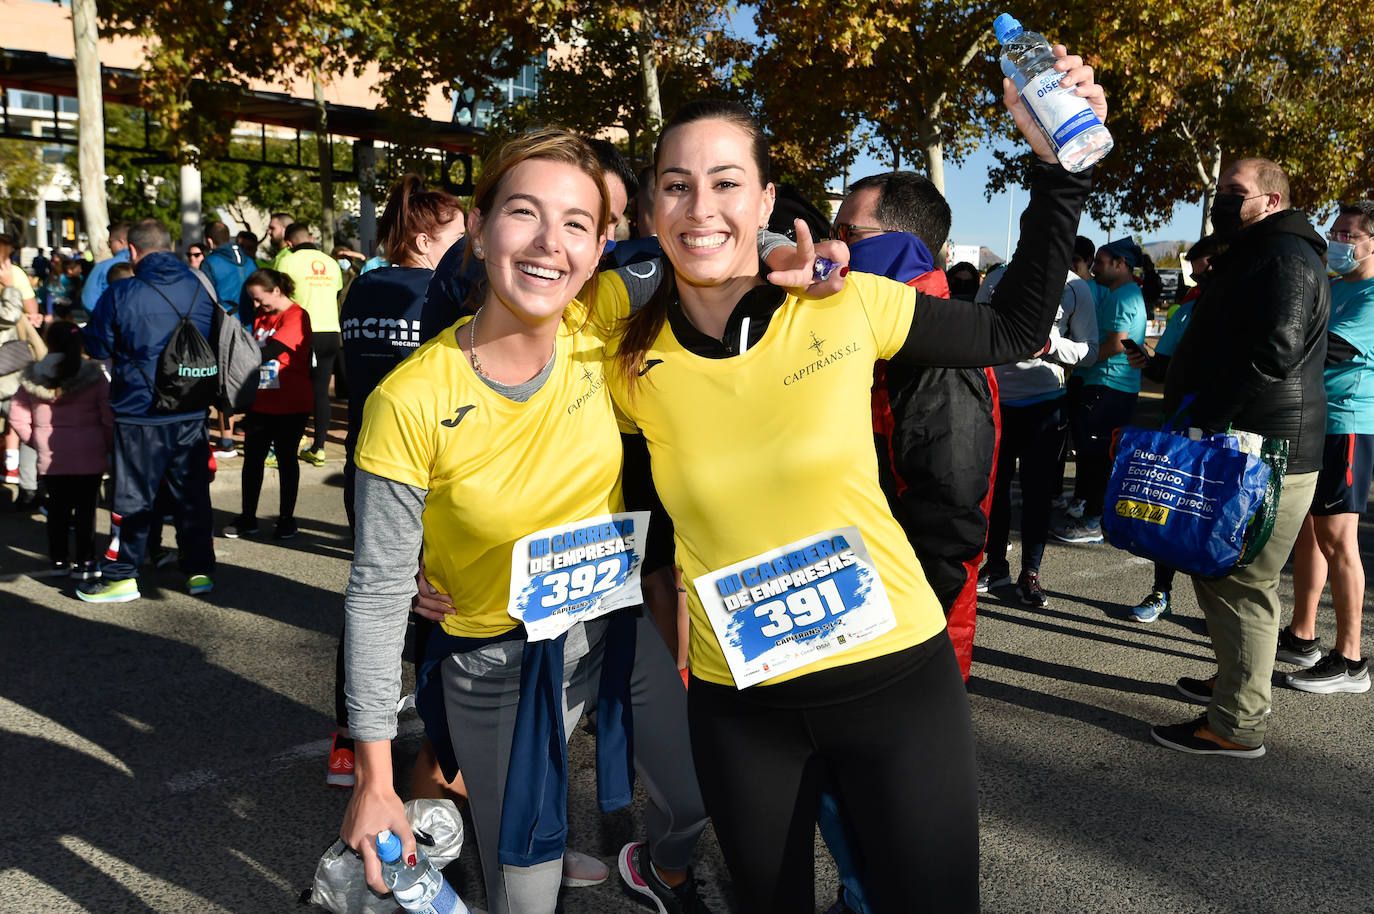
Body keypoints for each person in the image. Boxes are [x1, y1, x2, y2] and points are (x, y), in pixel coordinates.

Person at [603, 50, 1101, 912]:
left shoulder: (846, 303)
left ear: (765, 201)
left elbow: (1015, 329)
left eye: (727, 183)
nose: (700, 207)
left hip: (893, 682)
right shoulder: (618, 344)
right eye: (675, 186)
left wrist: (1054, 172)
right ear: (650, 206)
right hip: (742, 703)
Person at [342, 130, 711, 914]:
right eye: (523, 213)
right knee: (525, 898)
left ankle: (661, 865)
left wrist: (820, 268)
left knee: (704, 796)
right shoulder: (409, 400)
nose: (551, 243)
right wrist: (375, 783)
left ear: (602, 243)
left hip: (615, 639)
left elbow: (720, 247)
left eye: (577, 223)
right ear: (478, 229)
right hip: (497, 670)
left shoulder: (601, 322)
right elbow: (375, 596)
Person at [1151, 158, 1330, 758]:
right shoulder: (1263, 250)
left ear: (1272, 201)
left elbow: (1275, 352)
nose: (1222, 200)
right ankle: (1234, 681)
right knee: (1223, 574)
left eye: (1236, 192)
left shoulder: (1284, 256)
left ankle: (1235, 725)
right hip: (1251, 440)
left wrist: (1211, 414)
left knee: (1240, 583)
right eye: (1220, 189)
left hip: (1263, 446)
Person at [331, 173, 464, 788]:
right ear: (422, 237)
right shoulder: (437, 293)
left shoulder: (360, 290)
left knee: (372, 596)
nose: (468, 249)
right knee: (431, 602)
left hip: (366, 459)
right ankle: (442, 741)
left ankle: (349, 743)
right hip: (426, 466)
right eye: (458, 236)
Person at [837, 170, 996, 680]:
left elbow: (948, 515)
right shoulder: (882, 330)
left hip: (910, 628)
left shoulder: (935, 347)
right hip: (875, 600)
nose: (833, 248)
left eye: (848, 234)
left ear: (900, 243)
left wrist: (907, 626)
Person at [76, 218, 217, 603]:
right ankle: (200, 570)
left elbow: (98, 347)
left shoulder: (122, 293)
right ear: (168, 246)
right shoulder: (199, 286)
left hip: (141, 410)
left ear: (132, 252)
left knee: (133, 496)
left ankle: (122, 575)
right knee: (192, 494)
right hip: (191, 405)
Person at [1279, 201, 1374, 694]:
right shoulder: (1335, 286)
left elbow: (1327, 348)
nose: (1337, 240)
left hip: (1348, 425)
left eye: (1348, 234)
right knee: (1309, 536)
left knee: (1340, 540)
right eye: (1334, 232)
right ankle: (1302, 635)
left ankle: (1352, 659)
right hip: (1315, 420)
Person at [978, 253, 1098, 607]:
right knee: (994, 491)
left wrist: (1049, 346)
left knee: (1037, 493)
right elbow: (977, 331)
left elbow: (1090, 351)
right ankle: (996, 565)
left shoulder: (1075, 286)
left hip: (1045, 403)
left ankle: (1030, 573)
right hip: (998, 401)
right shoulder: (997, 278)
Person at [1124, 233, 1225, 623]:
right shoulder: (1187, 305)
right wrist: (1144, 361)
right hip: (1177, 420)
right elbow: (1162, 368)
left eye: (1201, 270)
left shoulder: (1238, 305)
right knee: (1164, 506)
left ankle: (1216, 610)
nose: (1197, 278)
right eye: (1195, 271)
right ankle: (1160, 592)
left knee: (1212, 513)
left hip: (1220, 425)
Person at [1052, 236, 1145, 544]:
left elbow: (1116, 343)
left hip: (1108, 386)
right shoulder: (1121, 293)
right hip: (1107, 386)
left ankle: (1093, 521)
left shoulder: (1123, 297)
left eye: (1101, 263)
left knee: (1097, 458)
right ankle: (1090, 513)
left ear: (1121, 265)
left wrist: (1081, 359)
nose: (1094, 269)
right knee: (1094, 456)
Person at [9, 320, 112, 579]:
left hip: (51, 455)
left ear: (49, 342)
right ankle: (85, 561)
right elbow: (108, 415)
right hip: (89, 453)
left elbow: (17, 415)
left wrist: (34, 440)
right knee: (87, 510)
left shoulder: (33, 375)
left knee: (57, 509)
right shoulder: (93, 375)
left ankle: (58, 560)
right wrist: (108, 443)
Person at [222, 269, 312, 541]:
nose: (257, 306)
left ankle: (287, 519)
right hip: (261, 401)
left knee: (286, 461)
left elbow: (269, 351)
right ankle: (247, 516)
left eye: (260, 299)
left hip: (291, 402)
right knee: (252, 461)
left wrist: (236, 364)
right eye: (253, 300)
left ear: (276, 291)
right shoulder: (263, 315)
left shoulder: (297, 315)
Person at [278, 224, 343, 467]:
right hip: (330, 332)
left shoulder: (288, 262)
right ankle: (319, 448)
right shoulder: (331, 262)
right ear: (311, 238)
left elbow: (280, 298)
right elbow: (335, 295)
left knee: (292, 388)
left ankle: (290, 443)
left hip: (302, 332)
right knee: (321, 392)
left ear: (289, 243)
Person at [203, 221, 257, 326]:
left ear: (209, 241)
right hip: (249, 324)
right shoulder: (251, 262)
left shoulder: (210, 262)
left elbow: (205, 299)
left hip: (223, 325)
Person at [80, 221, 132, 313]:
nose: (109, 247)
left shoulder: (103, 267)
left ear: (121, 241)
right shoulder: (146, 264)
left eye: (110, 242)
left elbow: (88, 302)